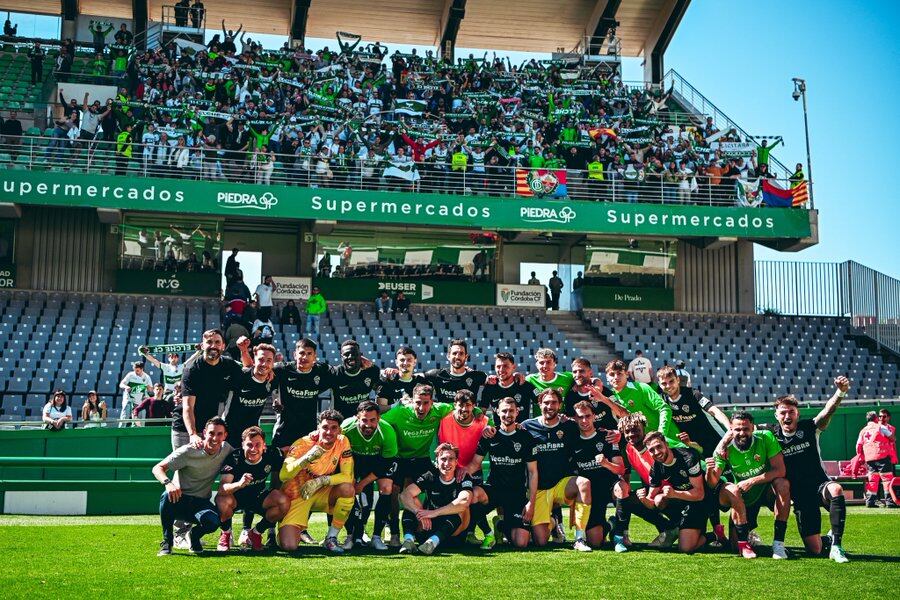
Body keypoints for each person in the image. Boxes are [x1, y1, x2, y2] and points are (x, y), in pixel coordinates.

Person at [771, 377, 851, 562]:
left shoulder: (810, 428)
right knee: (815, 549)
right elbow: (743, 430)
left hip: (819, 485)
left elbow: (828, 411)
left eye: (791, 412)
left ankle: (837, 547)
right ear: (776, 415)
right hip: (800, 496)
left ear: (797, 414)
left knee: (836, 489)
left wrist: (840, 392)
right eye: (783, 412)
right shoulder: (770, 435)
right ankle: (828, 539)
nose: (787, 416)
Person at [380, 383, 458, 547]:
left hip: (422, 458)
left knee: (421, 491)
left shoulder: (440, 409)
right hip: (400, 458)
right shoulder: (400, 412)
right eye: (418, 402)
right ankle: (394, 531)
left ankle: (426, 527)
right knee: (394, 491)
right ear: (412, 401)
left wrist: (478, 413)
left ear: (432, 402)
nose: (421, 407)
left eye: (426, 403)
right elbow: (379, 422)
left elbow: (462, 406)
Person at [708, 411, 791, 560]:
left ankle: (778, 544)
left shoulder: (765, 437)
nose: (742, 433)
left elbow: (780, 470)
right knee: (735, 546)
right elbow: (712, 482)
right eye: (737, 429)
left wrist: (751, 481)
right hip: (745, 497)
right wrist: (710, 470)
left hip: (766, 489)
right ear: (731, 430)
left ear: (753, 428)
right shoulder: (724, 448)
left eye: (746, 429)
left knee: (783, 484)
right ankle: (747, 535)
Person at [521, 388, 592, 550]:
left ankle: (579, 539)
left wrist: (611, 433)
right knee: (541, 541)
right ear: (539, 404)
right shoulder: (527, 426)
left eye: (554, 402)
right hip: (539, 488)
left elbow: (589, 430)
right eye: (546, 402)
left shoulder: (569, 426)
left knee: (584, 483)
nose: (550, 406)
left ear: (560, 405)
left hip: (562, 484)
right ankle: (554, 521)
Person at [278, 409, 355, 553]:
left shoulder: (343, 441)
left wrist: (321, 481)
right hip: (298, 493)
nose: (329, 432)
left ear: (339, 430)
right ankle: (284, 530)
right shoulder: (303, 443)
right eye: (325, 427)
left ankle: (331, 538)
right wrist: (306, 458)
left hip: (322, 490)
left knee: (348, 489)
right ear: (318, 427)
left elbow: (347, 476)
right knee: (288, 546)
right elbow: (284, 476)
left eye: (334, 428)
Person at [153, 417, 232, 555]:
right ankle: (167, 541)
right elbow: (157, 468)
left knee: (213, 522)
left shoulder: (227, 449)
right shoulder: (188, 451)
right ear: (204, 433)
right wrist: (168, 483)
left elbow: (245, 453)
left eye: (219, 434)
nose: (215, 438)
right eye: (211, 433)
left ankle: (194, 536)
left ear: (225, 435)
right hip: (179, 499)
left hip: (201, 503)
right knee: (166, 497)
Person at [468, 397, 538, 548]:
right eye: (504, 411)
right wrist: (461, 473)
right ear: (497, 412)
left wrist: (531, 503)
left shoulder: (526, 437)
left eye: (511, 411)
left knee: (521, 543)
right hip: (494, 489)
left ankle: (500, 525)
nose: (507, 414)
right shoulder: (490, 435)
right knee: (471, 495)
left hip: (516, 493)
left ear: (517, 412)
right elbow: (475, 464)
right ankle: (488, 533)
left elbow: (533, 472)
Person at [612, 413, 679, 552]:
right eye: (627, 431)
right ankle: (666, 528)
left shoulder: (657, 448)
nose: (631, 434)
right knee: (626, 497)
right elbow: (637, 473)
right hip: (654, 492)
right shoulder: (629, 448)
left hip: (673, 493)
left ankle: (677, 526)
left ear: (644, 428)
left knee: (689, 541)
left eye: (636, 430)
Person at [215, 426, 288, 551]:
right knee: (221, 500)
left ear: (264, 445)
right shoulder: (235, 457)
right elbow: (222, 488)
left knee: (283, 502)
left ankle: (256, 533)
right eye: (249, 445)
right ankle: (225, 533)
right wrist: (239, 484)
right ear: (243, 445)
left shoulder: (272, 454)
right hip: (236, 498)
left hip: (259, 497)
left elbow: (287, 453)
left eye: (257, 444)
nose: (253, 449)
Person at [340, 401, 399, 550]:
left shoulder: (387, 432)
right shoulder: (345, 428)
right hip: (354, 460)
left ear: (379, 418)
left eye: (373, 420)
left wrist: (362, 484)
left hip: (377, 461)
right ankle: (351, 535)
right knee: (347, 488)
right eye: (364, 420)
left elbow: (385, 464)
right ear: (357, 418)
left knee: (386, 488)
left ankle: (376, 537)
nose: (368, 424)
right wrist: (351, 479)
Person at [398, 442, 473, 555]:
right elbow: (405, 495)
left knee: (460, 509)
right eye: (443, 459)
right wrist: (419, 513)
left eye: (451, 459)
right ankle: (408, 541)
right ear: (437, 461)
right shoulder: (430, 476)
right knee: (411, 504)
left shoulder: (462, 477)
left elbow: (464, 501)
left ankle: (432, 542)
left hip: (452, 534)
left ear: (456, 461)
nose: (447, 463)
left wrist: (434, 513)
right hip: (428, 527)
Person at [174, 329, 243, 450]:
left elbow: (249, 371)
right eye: (209, 342)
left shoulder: (230, 365)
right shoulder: (191, 370)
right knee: (184, 463)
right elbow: (188, 406)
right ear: (202, 346)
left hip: (211, 430)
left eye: (217, 342)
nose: (213, 346)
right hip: (186, 430)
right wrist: (193, 434)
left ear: (223, 346)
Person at [570, 400, 626, 548]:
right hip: (590, 493)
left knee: (622, 487)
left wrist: (606, 464)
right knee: (595, 542)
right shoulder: (572, 440)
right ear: (575, 418)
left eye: (588, 416)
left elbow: (621, 469)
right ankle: (609, 525)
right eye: (580, 417)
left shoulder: (607, 436)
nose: (584, 420)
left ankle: (620, 534)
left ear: (594, 416)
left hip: (609, 486)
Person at [437, 390, 489, 544]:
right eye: (460, 405)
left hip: (472, 468)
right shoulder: (444, 418)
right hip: (448, 468)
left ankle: (474, 532)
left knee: (473, 498)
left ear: (474, 406)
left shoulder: (484, 421)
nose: (464, 409)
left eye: (468, 405)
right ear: (455, 405)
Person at [644, 432, 709, 554]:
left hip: (703, 500)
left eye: (659, 446)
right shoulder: (656, 467)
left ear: (666, 444)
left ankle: (711, 535)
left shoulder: (688, 457)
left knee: (685, 549)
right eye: (651, 450)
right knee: (659, 500)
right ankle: (678, 526)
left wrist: (674, 494)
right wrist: (643, 499)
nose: (656, 452)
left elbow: (700, 494)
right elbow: (651, 499)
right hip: (684, 500)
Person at [657, 366, 730, 457]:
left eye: (671, 381)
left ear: (678, 380)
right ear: (659, 384)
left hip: (712, 440)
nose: (668, 386)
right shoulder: (661, 400)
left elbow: (714, 411)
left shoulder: (693, 394)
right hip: (691, 448)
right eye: (664, 383)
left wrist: (730, 429)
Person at [603, 359, 679, 440]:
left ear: (627, 374)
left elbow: (664, 409)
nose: (616, 377)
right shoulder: (610, 397)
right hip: (641, 444)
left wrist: (661, 434)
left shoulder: (641, 388)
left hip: (669, 440)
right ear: (607, 377)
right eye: (612, 374)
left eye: (619, 373)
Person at [222, 343, 276, 449]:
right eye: (261, 359)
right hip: (230, 433)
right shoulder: (240, 376)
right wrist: (243, 349)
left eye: (269, 360)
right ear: (254, 359)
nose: (264, 364)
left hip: (251, 436)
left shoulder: (273, 380)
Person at [424, 339, 488, 404]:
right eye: (454, 353)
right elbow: (418, 377)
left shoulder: (476, 376)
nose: (457, 357)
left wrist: (483, 406)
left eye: (461, 353)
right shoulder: (438, 375)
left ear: (466, 357)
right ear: (448, 356)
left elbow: (491, 382)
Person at [480, 352, 538, 425]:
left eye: (505, 366)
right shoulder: (490, 387)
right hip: (499, 431)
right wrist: (489, 426)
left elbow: (542, 402)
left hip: (521, 430)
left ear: (513, 367)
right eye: (498, 366)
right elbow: (481, 412)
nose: (501, 370)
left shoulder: (524, 385)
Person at [856, 410, 898, 507]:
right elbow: (892, 438)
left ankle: (870, 501)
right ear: (875, 418)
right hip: (882, 456)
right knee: (887, 479)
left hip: (869, 458)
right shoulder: (880, 427)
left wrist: (861, 456)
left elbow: (858, 445)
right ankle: (889, 502)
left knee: (872, 480)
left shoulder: (863, 430)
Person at [564, 358, 617, 430]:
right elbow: (572, 419)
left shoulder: (604, 391)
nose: (577, 375)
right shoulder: (570, 396)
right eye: (574, 372)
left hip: (609, 434)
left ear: (590, 373)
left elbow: (619, 411)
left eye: (581, 371)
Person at [119, 361, 153, 428]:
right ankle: (120, 430)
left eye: (137, 370)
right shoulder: (130, 375)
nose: (135, 372)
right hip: (129, 398)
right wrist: (126, 387)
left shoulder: (147, 377)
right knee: (125, 414)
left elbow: (151, 390)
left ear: (142, 369)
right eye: (134, 370)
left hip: (139, 400)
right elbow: (121, 384)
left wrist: (148, 387)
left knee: (139, 420)